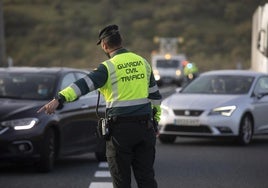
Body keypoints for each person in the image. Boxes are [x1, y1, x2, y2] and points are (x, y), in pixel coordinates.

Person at [37, 24, 162, 188]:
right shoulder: (142, 62)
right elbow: (155, 96)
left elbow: (82, 85)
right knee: (146, 179)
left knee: (121, 180)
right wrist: (155, 122)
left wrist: (59, 98)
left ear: (104, 46)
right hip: (145, 128)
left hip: (120, 132)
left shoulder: (108, 68)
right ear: (121, 41)